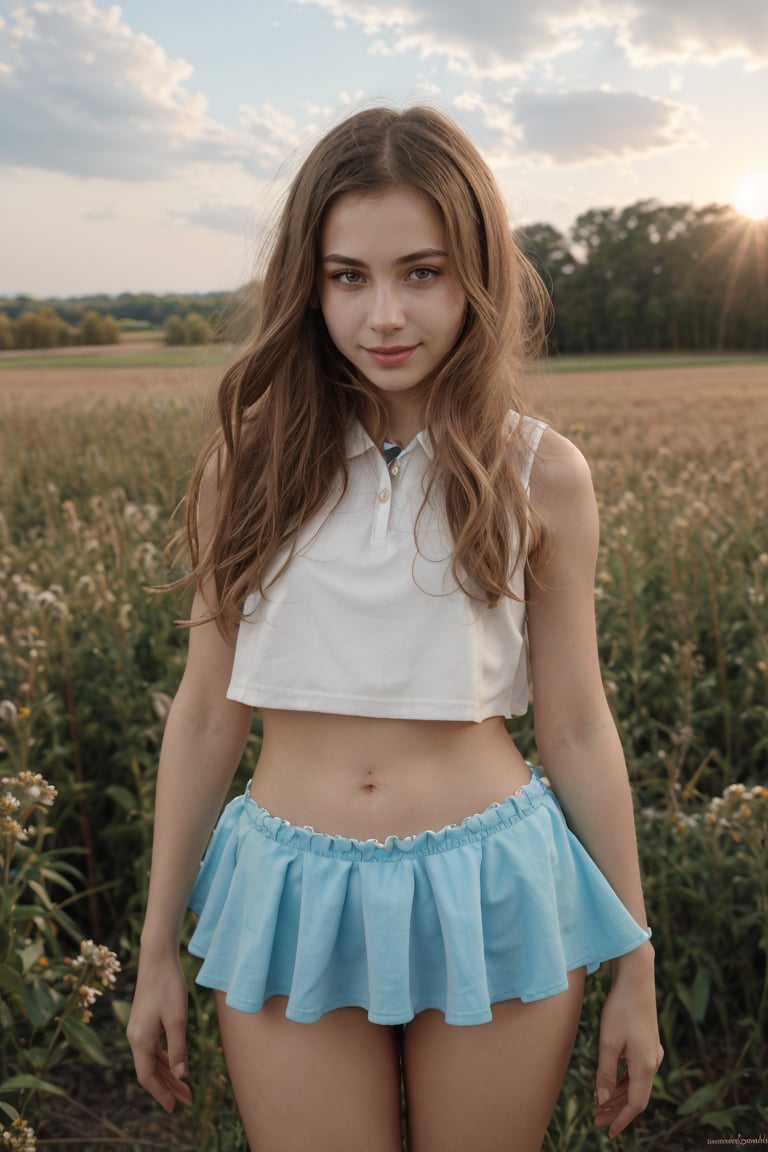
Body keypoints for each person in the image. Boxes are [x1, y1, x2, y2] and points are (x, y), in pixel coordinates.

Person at [127, 105, 662, 1152]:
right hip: (289, 891)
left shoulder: (541, 472)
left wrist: (635, 961)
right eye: (348, 276)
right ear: (309, 282)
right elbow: (202, 717)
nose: (384, 314)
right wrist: (154, 951)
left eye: (422, 272)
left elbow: (580, 726)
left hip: (494, 883)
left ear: (476, 277)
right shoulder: (245, 466)